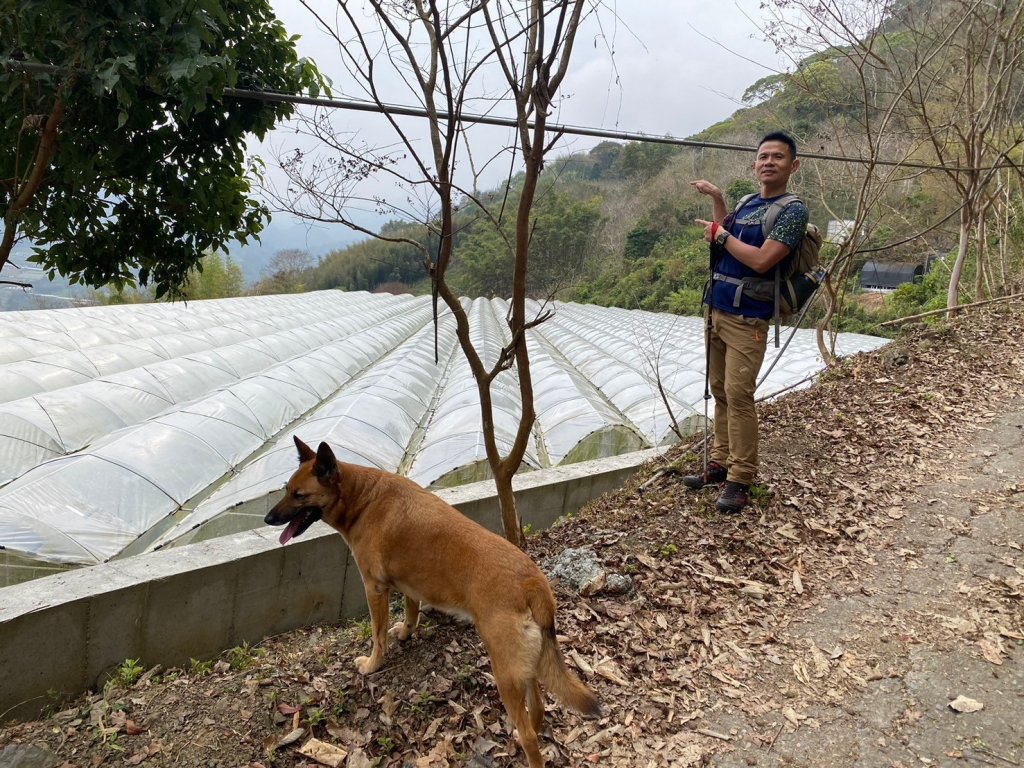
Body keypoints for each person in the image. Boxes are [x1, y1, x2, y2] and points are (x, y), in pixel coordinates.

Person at [686, 131, 809, 514]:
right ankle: (720, 463)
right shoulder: (747, 202)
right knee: (720, 390)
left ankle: (742, 477)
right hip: (717, 308)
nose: (768, 161)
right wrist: (718, 201)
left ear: (793, 165)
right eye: (763, 156)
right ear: (754, 164)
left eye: (777, 156)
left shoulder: (792, 211)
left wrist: (719, 233)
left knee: (739, 396)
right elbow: (724, 237)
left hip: (748, 317)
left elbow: (760, 260)